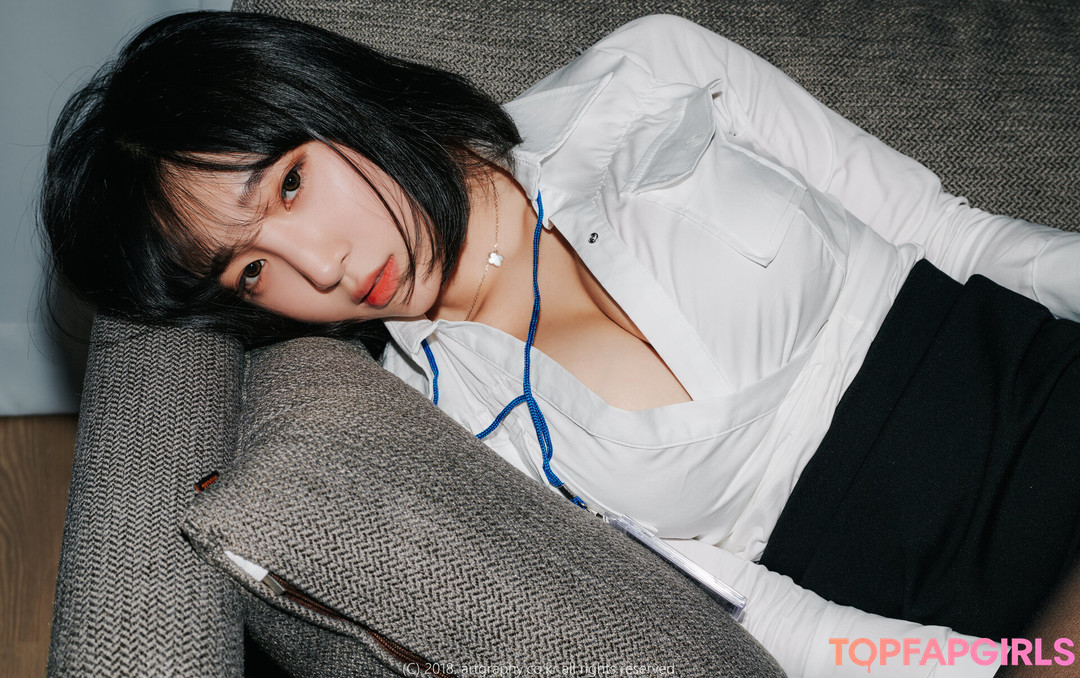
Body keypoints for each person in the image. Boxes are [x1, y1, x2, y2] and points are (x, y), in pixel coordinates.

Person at [41, 10, 1080, 677]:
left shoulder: (649, 72)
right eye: (249, 271)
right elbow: (759, 616)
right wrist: (1004, 667)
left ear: (326, 99)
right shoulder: (441, 423)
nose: (321, 268)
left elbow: (955, 232)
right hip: (968, 614)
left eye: (291, 184)